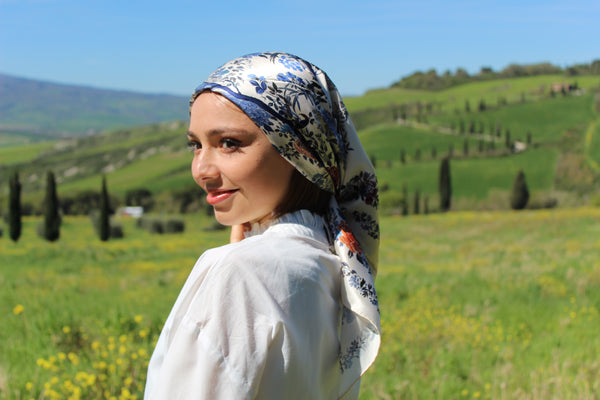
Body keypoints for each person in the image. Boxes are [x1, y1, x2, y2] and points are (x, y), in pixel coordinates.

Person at [144, 52, 380, 400]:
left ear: (300, 152)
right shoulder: (336, 266)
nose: (201, 171)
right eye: (195, 145)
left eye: (229, 143)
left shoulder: (239, 272)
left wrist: (240, 257)